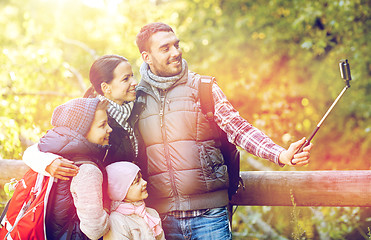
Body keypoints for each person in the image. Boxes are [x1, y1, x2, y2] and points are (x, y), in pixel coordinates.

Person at [134, 22, 313, 239]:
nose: (176, 52)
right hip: (161, 220)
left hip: (210, 217)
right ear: (147, 57)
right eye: (165, 48)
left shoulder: (203, 88)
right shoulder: (136, 98)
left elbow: (238, 128)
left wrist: (281, 154)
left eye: (176, 45)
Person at [22, 54, 143, 179]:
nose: (134, 82)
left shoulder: (138, 107)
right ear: (105, 87)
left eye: (132, 76)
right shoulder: (88, 116)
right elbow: (37, 149)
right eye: (125, 79)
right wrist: (48, 163)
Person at [39, 98, 112, 239]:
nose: (110, 129)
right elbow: (95, 230)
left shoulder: (55, 156)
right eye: (102, 125)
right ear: (82, 132)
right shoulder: (87, 171)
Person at [103, 161, 165, 240]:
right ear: (121, 191)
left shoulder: (152, 214)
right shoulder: (116, 220)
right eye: (137, 181)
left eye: (142, 178)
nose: (144, 182)